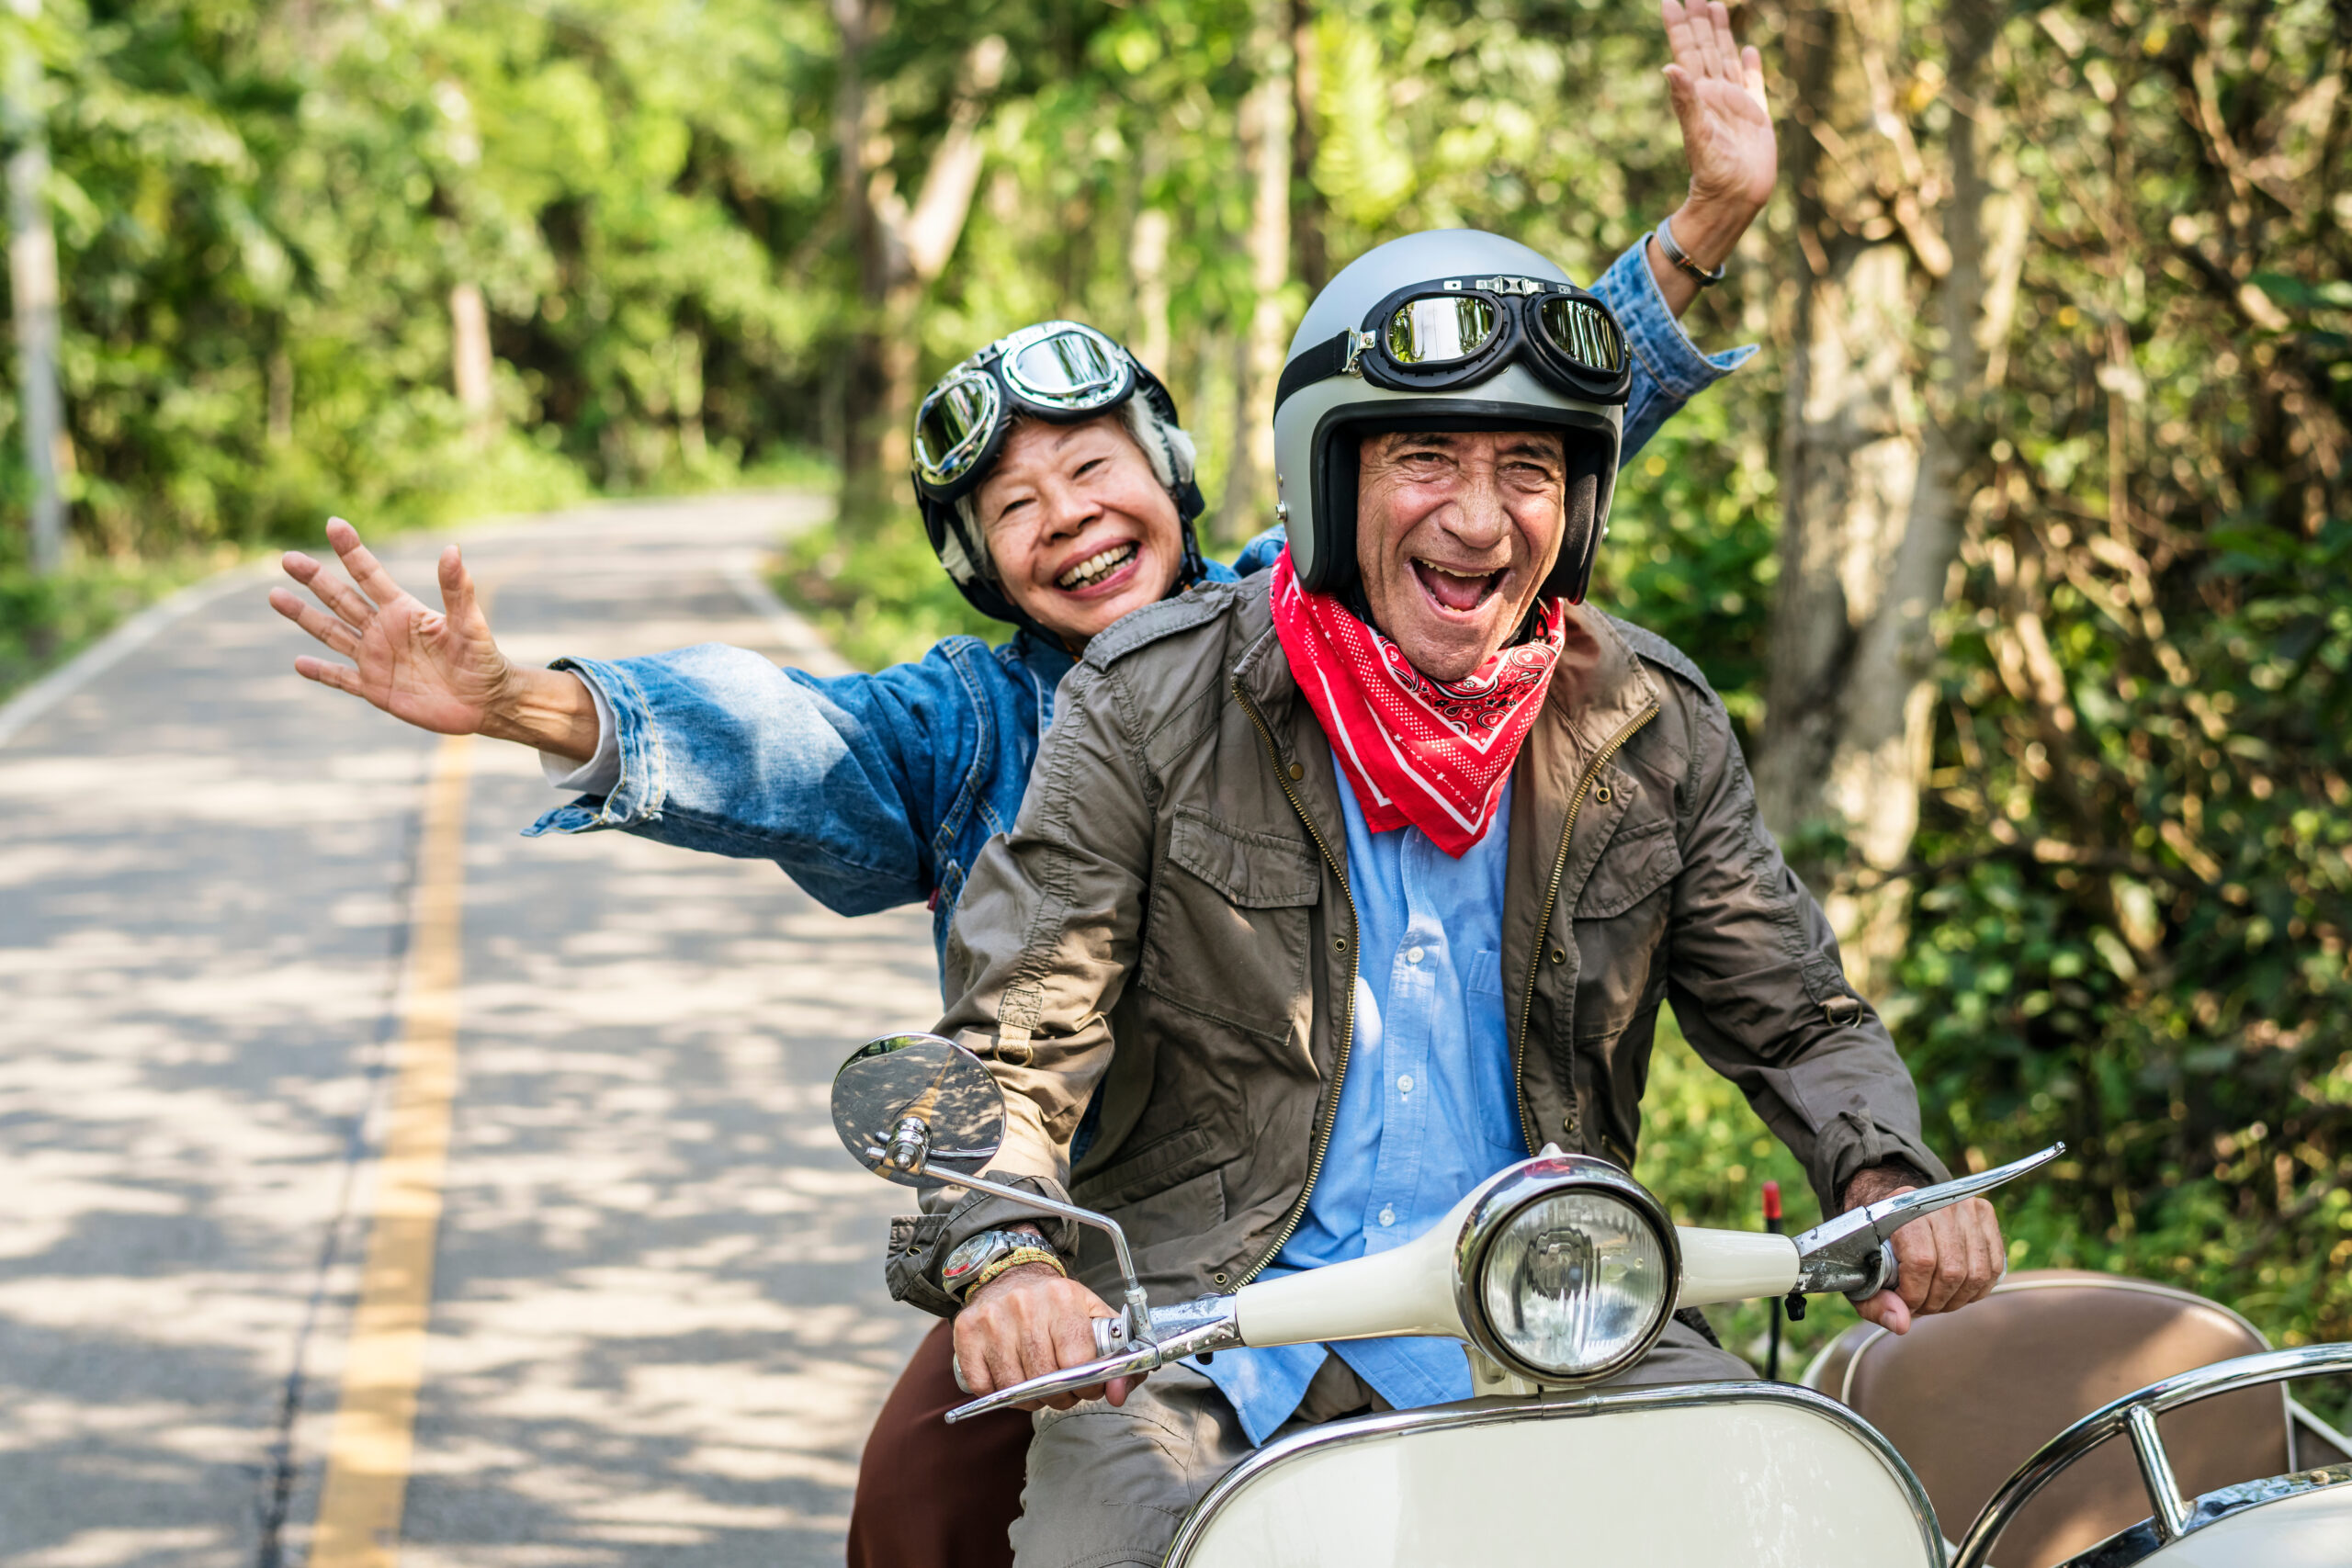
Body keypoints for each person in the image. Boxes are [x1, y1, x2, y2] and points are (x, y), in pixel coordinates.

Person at [266, 8, 1775, 1560]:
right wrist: (528, 698)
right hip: (1092, 1249)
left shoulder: (1310, 623)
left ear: (1180, 476)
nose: (1066, 516)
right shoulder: (971, 726)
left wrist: (1701, 230)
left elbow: (1494, 452)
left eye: (1094, 466)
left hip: (1429, 1237)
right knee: (914, 1513)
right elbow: (774, 737)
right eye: (1014, 502)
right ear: (977, 558)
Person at [897, 222, 2009, 1568]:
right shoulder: (1145, 701)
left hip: (1566, 1312)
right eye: (1425, 457)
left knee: (1797, 1526)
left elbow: (1796, 1015)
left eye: (1527, 469)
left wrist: (1889, 1171)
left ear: (1577, 502)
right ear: (1329, 477)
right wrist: (1010, 1260)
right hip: (1211, 1345)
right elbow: (1016, 1042)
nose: (1478, 519)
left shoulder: (1646, 722)